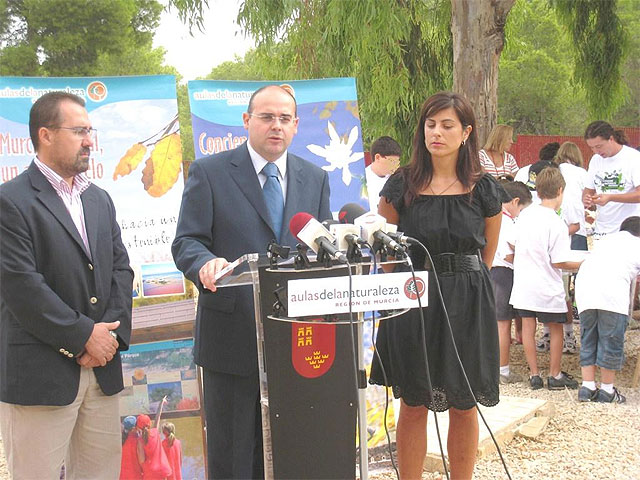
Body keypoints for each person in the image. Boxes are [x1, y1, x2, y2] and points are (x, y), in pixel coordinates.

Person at [172, 84, 331, 479]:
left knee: (294, 449)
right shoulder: (209, 173)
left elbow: (323, 246)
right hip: (232, 337)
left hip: (298, 339)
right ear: (247, 121)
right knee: (235, 453)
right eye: (266, 117)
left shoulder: (315, 178)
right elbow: (187, 241)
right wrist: (206, 264)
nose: (275, 126)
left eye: (284, 119)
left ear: (295, 126)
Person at [370, 91, 504, 480]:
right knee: (414, 401)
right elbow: (387, 239)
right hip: (413, 297)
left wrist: (459, 279)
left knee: (464, 403)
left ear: (466, 133)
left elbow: (487, 254)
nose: (437, 133)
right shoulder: (401, 183)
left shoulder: (484, 188)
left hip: (467, 297)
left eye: (447, 125)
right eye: (430, 124)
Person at [0, 92, 133, 479]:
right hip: (40, 375)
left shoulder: (99, 200)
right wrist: (83, 336)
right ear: (45, 134)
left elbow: (121, 271)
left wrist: (108, 337)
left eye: (90, 130)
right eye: (79, 131)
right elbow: (22, 287)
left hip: (101, 369)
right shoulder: (10, 201)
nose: (89, 140)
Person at [510, 167, 583, 390]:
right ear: (560, 190)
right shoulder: (556, 223)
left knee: (528, 328)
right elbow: (559, 261)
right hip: (547, 286)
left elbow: (513, 244)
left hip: (523, 283)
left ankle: (534, 373)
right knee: (555, 327)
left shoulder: (525, 215)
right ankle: (554, 373)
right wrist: (584, 263)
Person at [575, 216, 640, 403]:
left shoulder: (607, 241)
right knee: (610, 339)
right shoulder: (637, 244)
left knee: (589, 337)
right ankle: (607, 390)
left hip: (585, 290)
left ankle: (587, 387)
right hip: (613, 293)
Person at [491, 181, 532, 385]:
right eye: (522, 209)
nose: (520, 214)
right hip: (503, 274)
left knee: (495, 323)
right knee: (502, 325)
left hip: (491, 272)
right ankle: (502, 370)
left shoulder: (492, 215)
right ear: (515, 202)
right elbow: (508, 255)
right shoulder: (506, 221)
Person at [582, 121, 640, 237]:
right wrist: (587, 199)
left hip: (628, 229)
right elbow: (588, 191)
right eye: (592, 148)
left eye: (599, 146)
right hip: (601, 229)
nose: (596, 151)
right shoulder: (595, 160)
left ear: (611, 139)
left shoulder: (633, 158)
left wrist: (611, 197)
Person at [365, 135, 401, 211]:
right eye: (392, 162)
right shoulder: (362, 179)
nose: (394, 166)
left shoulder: (398, 179)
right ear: (377, 157)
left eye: (396, 162)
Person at [136, 402, 171, 480]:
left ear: (138, 427)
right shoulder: (155, 432)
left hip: (150, 472)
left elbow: (141, 460)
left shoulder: (140, 441)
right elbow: (157, 418)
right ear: (149, 424)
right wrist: (161, 403)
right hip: (162, 470)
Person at [121, 416, 143, 480]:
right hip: (135, 475)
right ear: (134, 428)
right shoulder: (137, 441)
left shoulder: (121, 441)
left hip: (123, 475)